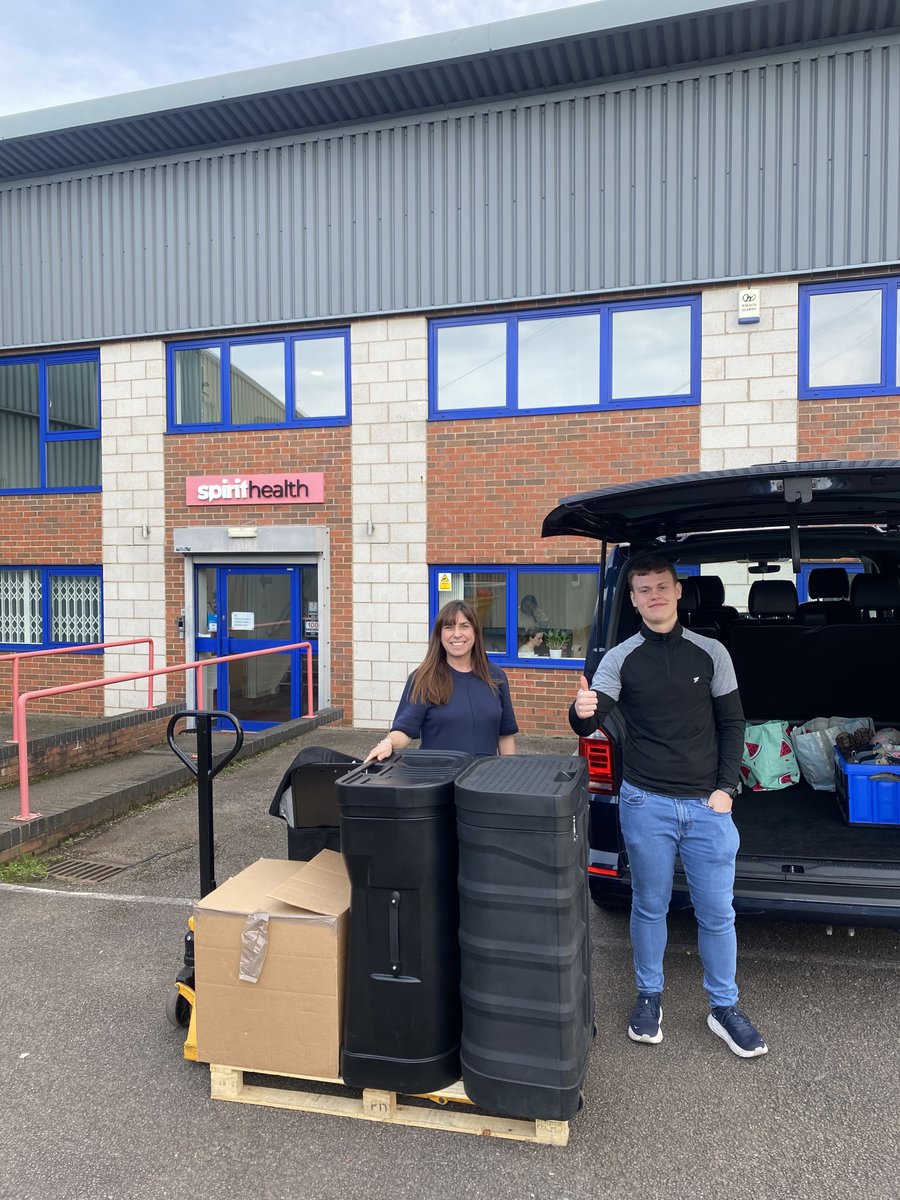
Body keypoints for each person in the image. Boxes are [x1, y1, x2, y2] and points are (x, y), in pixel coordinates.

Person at [569, 552, 767, 1059]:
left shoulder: (711, 652)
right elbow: (591, 724)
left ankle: (724, 1007)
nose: (653, 596)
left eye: (662, 587)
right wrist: (580, 712)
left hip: (708, 805)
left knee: (717, 913)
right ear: (633, 600)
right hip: (645, 803)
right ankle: (649, 996)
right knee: (649, 906)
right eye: (643, 590)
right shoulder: (620, 658)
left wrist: (727, 789)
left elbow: (733, 724)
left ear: (679, 592)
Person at [366, 599, 518, 761]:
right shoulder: (423, 679)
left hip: (483, 781)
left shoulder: (495, 677)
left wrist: (509, 774)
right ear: (440, 634)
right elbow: (404, 730)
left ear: (475, 632)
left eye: (464, 626)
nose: (457, 634)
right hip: (438, 779)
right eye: (449, 627)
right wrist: (388, 742)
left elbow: (505, 735)